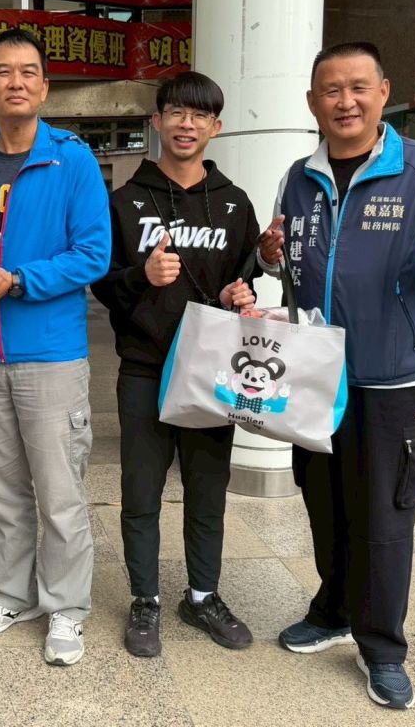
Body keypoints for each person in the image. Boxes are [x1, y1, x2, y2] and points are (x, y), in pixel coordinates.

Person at [258, 41, 415, 709]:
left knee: (382, 516)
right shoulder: (298, 176)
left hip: (388, 379)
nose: (345, 101)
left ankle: (382, 648)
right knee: (324, 504)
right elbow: (289, 259)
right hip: (313, 376)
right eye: (331, 90)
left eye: (358, 87)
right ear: (312, 103)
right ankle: (332, 610)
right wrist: (268, 256)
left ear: (383, 93)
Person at [0, 28, 111, 666]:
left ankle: (67, 607)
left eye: (27, 72)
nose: (15, 82)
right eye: (3, 71)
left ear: (44, 87)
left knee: (60, 494)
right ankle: (12, 595)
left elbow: (94, 254)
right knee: (3, 492)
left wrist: (17, 281)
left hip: (51, 357)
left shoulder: (72, 160)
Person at [91, 72, 260, 658]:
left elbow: (244, 278)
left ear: (216, 126)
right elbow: (102, 284)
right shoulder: (124, 201)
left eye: (200, 115)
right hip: (145, 367)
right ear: (157, 120)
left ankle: (203, 596)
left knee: (207, 492)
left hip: (214, 371)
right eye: (177, 113)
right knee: (141, 493)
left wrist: (241, 293)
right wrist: (142, 276)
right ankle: (146, 599)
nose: (188, 124)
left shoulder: (235, 202)